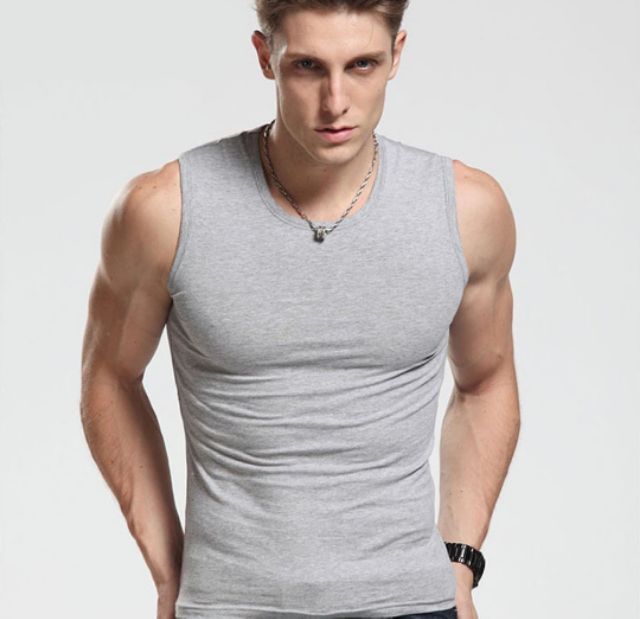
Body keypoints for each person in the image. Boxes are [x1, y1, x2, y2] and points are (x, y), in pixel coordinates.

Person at [79, 1, 520, 618]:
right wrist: (168, 572)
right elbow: (109, 378)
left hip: (414, 602)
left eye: (362, 64)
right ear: (266, 57)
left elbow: (486, 381)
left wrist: (460, 564)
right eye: (308, 66)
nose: (335, 101)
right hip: (230, 606)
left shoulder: (466, 210)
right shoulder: (164, 211)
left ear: (397, 55)